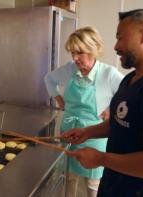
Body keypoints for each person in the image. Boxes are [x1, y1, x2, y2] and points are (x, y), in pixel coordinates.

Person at [62, 8, 143, 197]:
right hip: (115, 186)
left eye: (121, 38)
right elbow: (121, 122)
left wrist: (100, 158)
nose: (116, 46)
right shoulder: (132, 78)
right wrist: (87, 132)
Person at [44, 26, 123, 197]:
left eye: (80, 52)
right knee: (69, 178)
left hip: (95, 136)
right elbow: (49, 79)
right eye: (72, 53)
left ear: (94, 50)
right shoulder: (69, 69)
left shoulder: (108, 74)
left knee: (93, 184)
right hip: (69, 133)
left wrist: (111, 108)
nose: (75, 58)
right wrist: (59, 99)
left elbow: (128, 95)